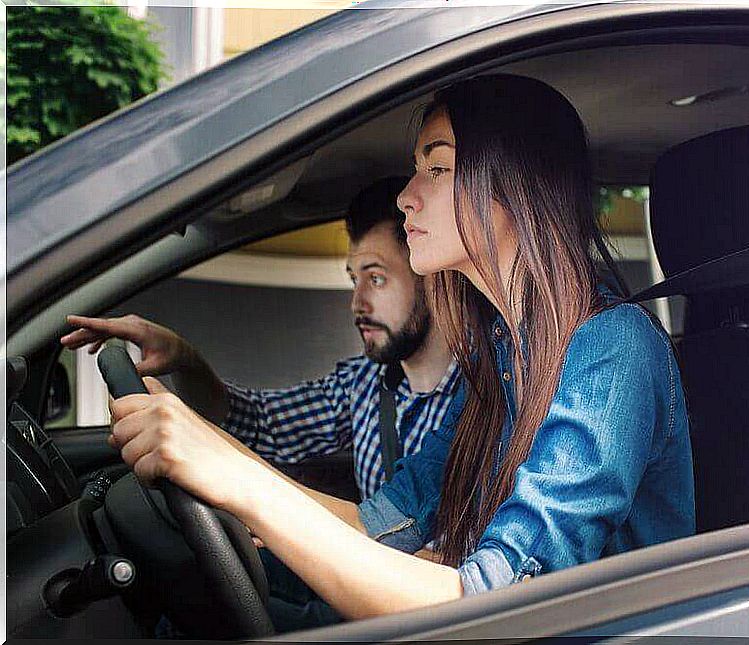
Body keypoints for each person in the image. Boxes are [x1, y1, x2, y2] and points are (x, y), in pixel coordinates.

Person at [103, 74, 695, 630]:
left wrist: (237, 479)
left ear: (514, 189)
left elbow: (495, 607)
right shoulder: (499, 359)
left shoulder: (613, 348)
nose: (408, 197)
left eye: (436, 167)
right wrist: (201, 446)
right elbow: (380, 523)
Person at [61, 177, 461, 501]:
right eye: (354, 281)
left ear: (433, 280)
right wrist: (185, 359)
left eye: (376, 279)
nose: (357, 303)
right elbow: (257, 424)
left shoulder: (486, 396)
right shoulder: (364, 384)